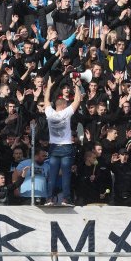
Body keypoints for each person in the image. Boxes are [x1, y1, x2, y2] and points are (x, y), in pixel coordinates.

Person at [43, 77, 82, 206]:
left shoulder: (49, 114)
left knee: (52, 174)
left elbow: (46, 100)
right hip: (66, 148)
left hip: (54, 148)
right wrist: (76, 86)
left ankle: (49, 199)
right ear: (64, 105)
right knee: (66, 175)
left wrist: (49, 87)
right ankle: (66, 199)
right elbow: (77, 100)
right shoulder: (66, 113)